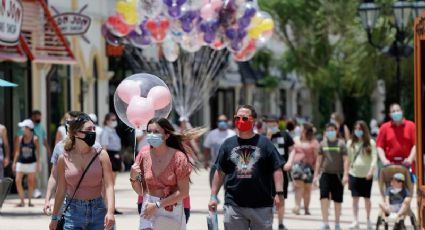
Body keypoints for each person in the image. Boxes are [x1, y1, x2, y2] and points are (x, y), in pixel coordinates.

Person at [208, 105, 284, 230]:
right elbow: (219, 172)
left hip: (262, 205)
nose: (240, 120)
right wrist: (213, 196)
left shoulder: (265, 143)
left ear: (253, 120)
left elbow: (277, 169)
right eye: (237, 117)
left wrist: (279, 193)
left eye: (244, 118)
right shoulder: (228, 144)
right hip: (234, 205)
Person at [130, 117, 202, 230]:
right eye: (149, 132)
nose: (151, 135)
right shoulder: (144, 155)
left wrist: (158, 205)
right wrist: (133, 178)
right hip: (148, 206)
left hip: (171, 207)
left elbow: (184, 192)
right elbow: (141, 191)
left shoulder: (179, 157)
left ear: (167, 135)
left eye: (156, 132)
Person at [49, 113, 115, 230]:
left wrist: (110, 212)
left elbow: (109, 186)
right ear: (75, 133)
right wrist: (54, 217)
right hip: (73, 213)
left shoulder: (102, 155)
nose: (93, 132)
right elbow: (61, 189)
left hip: (98, 211)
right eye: (89, 129)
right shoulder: (63, 158)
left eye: (94, 128)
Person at [43, 111, 102, 215]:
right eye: (67, 122)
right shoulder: (59, 147)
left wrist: (108, 210)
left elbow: (105, 182)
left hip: (93, 205)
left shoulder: (96, 148)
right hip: (67, 203)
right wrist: (47, 200)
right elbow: (53, 176)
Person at [313, 123, 349, 230]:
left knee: (337, 200)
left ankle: (337, 223)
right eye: (328, 130)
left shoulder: (341, 144)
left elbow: (346, 160)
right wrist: (315, 176)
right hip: (325, 174)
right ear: (325, 132)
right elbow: (318, 161)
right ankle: (325, 222)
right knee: (323, 197)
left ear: (336, 131)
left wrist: (346, 175)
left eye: (332, 130)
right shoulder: (322, 144)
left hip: (338, 175)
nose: (330, 132)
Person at [265, 115, 294, 230]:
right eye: (268, 123)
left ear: (277, 123)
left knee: (281, 196)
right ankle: (268, 223)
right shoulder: (262, 136)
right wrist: (267, 138)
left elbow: (292, 149)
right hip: (266, 173)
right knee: (268, 198)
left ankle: (281, 223)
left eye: (273, 123)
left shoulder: (285, 134)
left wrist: (290, 162)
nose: (271, 125)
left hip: (281, 171)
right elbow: (262, 151)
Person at [347, 121, 377, 230]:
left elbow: (374, 158)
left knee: (366, 198)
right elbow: (348, 159)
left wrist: (371, 171)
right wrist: (346, 174)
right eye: (356, 129)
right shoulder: (350, 143)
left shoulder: (371, 143)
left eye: (360, 129)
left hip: (366, 175)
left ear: (364, 130)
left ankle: (368, 219)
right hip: (354, 173)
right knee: (355, 199)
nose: (357, 131)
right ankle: (355, 220)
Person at [284, 122, 319, 216]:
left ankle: (306, 208)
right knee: (298, 187)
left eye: (301, 128)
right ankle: (297, 206)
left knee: (307, 189)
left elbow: (317, 158)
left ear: (306, 130)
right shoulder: (296, 140)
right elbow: (292, 152)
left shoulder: (313, 142)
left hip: (309, 167)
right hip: (297, 167)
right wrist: (290, 163)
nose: (299, 129)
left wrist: (316, 171)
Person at [15, 110, 51, 198]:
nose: (39, 118)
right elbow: (17, 138)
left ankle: (34, 190)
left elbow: (44, 140)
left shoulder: (41, 127)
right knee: (25, 175)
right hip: (24, 154)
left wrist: (48, 150)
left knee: (35, 174)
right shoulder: (25, 127)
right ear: (33, 116)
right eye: (37, 116)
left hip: (37, 153)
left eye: (40, 116)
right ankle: (32, 190)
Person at [376, 103, 416, 170]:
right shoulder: (384, 127)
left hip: (408, 165)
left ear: (402, 112)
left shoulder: (411, 126)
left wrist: (410, 159)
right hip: (390, 165)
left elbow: (416, 145)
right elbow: (379, 146)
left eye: (398, 110)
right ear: (390, 115)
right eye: (393, 111)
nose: (396, 113)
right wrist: (384, 160)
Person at [12, 119, 40, 207]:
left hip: (32, 163)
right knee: (17, 181)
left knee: (31, 182)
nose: (22, 129)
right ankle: (22, 201)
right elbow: (17, 152)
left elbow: (38, 152)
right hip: (21, 162)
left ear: (28, 128)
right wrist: (14, 162)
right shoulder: (20, 138)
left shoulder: (35, 139)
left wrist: (38, 164)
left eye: (24, 127)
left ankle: (30, 201)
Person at [203, 114, 236, 186]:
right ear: (217, 122)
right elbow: (206, 148)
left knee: (229, 188)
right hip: (215, 165)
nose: (222, 122)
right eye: (220, 121)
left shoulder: (232, 134)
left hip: (229, 166)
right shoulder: (211, 134)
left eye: (224, 121)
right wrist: (205, 161)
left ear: (227, 122)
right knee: (213, 187)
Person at [100, 113, 122, 215]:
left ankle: (110, 205)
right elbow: (104, 147)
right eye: (112, 119)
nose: (114, 121)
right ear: (107, 121)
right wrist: (106, 162)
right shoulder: (106, 131)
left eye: (115, 119)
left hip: (116, 155)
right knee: (108, 184)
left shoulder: (113, 131)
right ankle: (106, 206)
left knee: (112, 184)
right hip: (110, 156)